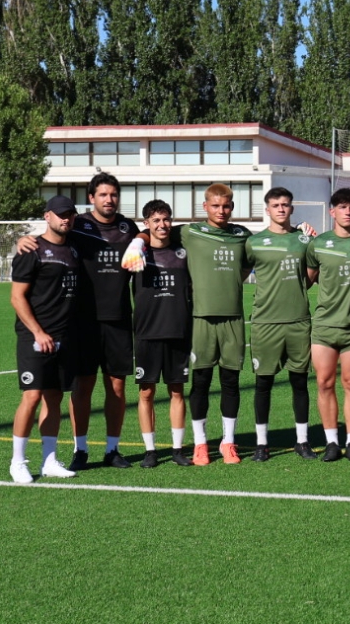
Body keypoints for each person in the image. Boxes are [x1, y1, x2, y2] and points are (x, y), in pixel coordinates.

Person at [123, 183, 253, 465]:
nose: (221, 211)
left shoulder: (242, 234)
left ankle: (228, 442)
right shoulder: (189, 232)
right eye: (215, 206)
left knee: (230, 382)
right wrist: (137, 240)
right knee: (200, 382)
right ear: (204, 207)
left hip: (232, 317)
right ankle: (200, 444)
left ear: (232, 207)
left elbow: (252, 260)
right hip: (198, 319)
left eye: (226, 206)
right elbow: (155, 231)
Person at [16, 172, 137, 469]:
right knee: (82, 387)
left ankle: (112, 449)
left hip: (118, 319)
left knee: (117, 388)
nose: (109, 199)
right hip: (80, 322)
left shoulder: (128, 227)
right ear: (92, 198)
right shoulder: (77, 225)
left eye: (114, 194)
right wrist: (23, 238)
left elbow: (157, 235)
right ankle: (80, 449)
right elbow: (49, 235)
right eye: (103, 194)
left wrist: (143, 237)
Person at [8, 195, 87, 483]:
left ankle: (49, 460)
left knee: (54, 398)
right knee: (31, 397)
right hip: (35, 336)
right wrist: (39, 332)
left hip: (65, 336)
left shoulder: (74, 248)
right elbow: (17, 298)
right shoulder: (31, 250)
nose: (66, 219)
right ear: (47, 216)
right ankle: (18, 461)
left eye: (70, 214)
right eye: (60, 214)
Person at [244, 187, 315, 461]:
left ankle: (302, 441)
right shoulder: (255, 242)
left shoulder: (303, 239)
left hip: (298, 321)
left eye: (286, 204)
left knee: (299, 382)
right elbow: (239, 274)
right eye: (276, 205)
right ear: (268, 209)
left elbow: (308, 278)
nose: (281, 209)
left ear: (292, 209)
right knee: (263, 383)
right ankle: (262, 443)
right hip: (265, 323)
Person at [308, 188, 350, 462]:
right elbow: (307, 280)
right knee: (324, 382)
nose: (348, 211)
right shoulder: (318, 244)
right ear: (332, 211)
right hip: (324, 326)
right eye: (342, 207)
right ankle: (332, 441)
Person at [132, 200, 191, 467]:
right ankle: (150, 450)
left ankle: (178, 449)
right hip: (146, 333)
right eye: (156, 220)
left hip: (178, 332)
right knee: (146, 393)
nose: (162, 225)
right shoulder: (136, 254)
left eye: (166, 219)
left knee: (177, 390)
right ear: (146, 224)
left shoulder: (182, 254)